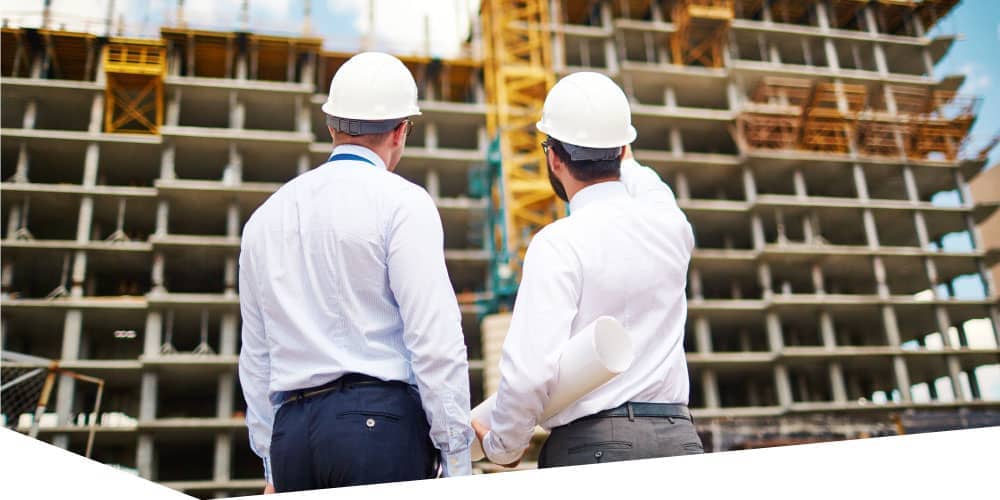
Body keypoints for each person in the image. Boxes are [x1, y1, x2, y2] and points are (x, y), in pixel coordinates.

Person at [238, 52, 474, 493]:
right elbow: (435, 340)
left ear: (331, 126)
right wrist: (456, 458)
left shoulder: (263, 220)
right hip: (377, 427)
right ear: (402, 130)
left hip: (293, 436)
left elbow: (256, 358)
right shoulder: (403, 203)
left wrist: (273, 461)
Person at [472, 72, 703, 468]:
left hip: (593, 449)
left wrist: (503, 447)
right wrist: (617, 147)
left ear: (553, 157)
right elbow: (648, 184)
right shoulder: (672, 228)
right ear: (622, 149)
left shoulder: (557, 243)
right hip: (679, 441)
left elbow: (529, 375)